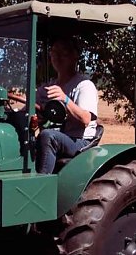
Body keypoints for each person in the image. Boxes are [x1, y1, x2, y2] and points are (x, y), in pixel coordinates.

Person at [34, 37, 99, 173]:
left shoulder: (84, 86)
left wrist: (65, 99)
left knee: (48, 136)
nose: (57, 57)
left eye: (62, 53)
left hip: (79, 141)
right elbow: (30, 104)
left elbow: (86, 119)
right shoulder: (49, 86)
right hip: (58, 137)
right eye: (53, 52)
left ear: (74, 57)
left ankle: (41, 185)